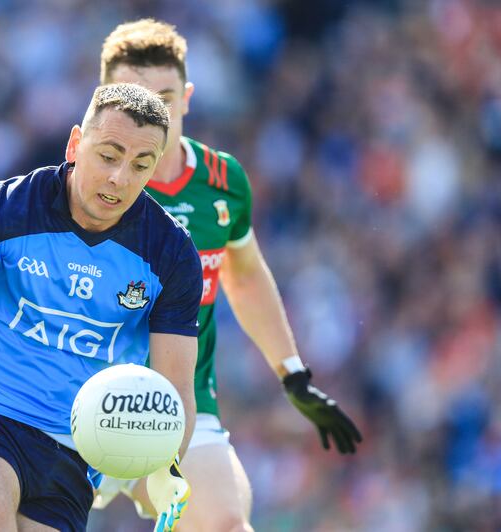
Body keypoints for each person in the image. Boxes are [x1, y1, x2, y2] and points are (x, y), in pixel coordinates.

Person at [0, 83, 202, 532]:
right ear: (75, 144)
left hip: (75, 450)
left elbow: (176, 385)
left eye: (140, 165)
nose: (120, 178)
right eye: (108, 156)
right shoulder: (8, 207)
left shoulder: (171, 255)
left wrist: (169, 464)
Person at [92, 20, 363, 531]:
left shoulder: (223, 182)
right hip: (73, 393)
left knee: (227, 523)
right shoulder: (83, 189)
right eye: (135, 99)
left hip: (177, 405)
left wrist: (292, 372)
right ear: (103, 100)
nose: (153, 113)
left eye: (166, 97)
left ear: (188, 98)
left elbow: (244, 274)